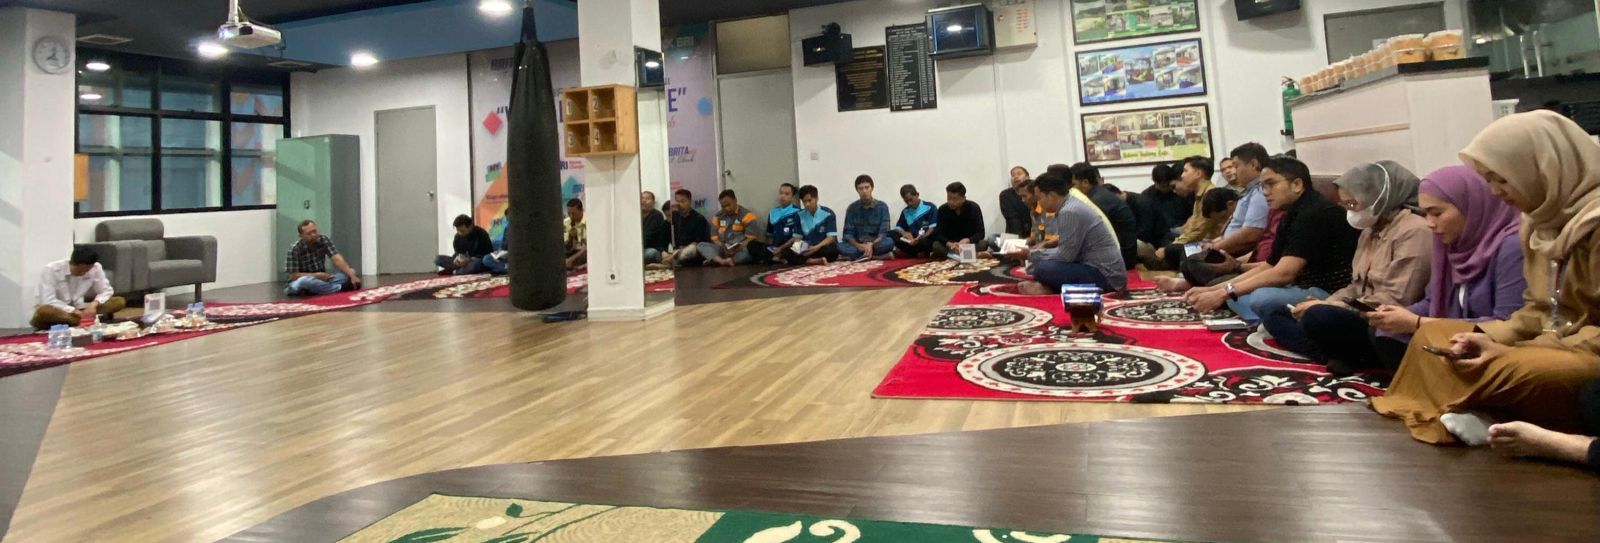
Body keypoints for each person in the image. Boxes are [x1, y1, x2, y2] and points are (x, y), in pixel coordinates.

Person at [1373, 110, 1600, 446]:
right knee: (1436, 337)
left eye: (1503, 179)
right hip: (1549, 340)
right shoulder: (1538, 223)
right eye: (1489, 181)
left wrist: (1517, 349)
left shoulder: (1593, 223)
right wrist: (1489, 337)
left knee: (1511, 368)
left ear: (1544, 168)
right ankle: (1475, 411)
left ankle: (1491, 416)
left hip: (1585, 350)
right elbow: (1535, 311)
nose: (1495, 192)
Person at [1257, 161, 1435, 374]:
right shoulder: (1369, 230)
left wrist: (1331, 307)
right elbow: (1355, 286)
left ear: (1378, 197)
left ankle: (1347, 355)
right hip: (1357, 310)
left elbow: (1396, 298)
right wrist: (1328, 302)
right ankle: (1337, 356)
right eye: (1345, 205)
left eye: (1352, 204)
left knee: (1318, 317)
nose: (1349, 211)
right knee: (1275, 313)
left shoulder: (1414, 231)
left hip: (1383, 321)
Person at [1183, 156, 1359, 323]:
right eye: (1263, 186)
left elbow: (1284, 273)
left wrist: (1222, 293)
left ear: (1297, 184)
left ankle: (1275, 322)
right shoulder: (1290, 213)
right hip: (1301, 286)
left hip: (1329, 293)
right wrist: (1213, 290)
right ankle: (1273, 321)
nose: (1265, 192)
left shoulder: (1315, 213)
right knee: (1237, 295)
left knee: (1261, 298)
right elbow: (1270, 265)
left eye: (1271, 184)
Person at [1015, 171, 1126, 294]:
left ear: (1051, 195)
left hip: (1107, 277)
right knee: (1041, 265)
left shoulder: (1069, 211)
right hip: (1100, 269)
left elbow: (1065, 256)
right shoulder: (1070, 204)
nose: (1039, 203)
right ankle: (1055, 287)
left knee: (1042, 268)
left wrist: (1030, 254)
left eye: (1039, 198)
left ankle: (1051, 288)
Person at [1154, 156, 1228, 269]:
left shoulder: (1210, 195)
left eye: (1185, 171)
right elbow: (1192, 225)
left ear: (1198, 174)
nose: (1182, 176)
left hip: (1211, 243)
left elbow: (1198, 232)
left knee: (1170, 250)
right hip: (1202, 240)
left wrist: (1169, 247)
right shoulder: (1199, 195)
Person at [30, 247, 126, 330]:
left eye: (87, 270)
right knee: (44, 311)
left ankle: (76, 321)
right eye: (80, 270)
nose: (83, 273)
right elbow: (48, 300)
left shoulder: (96, 267)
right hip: (60, 310)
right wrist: (73, 311)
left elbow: (106, 290)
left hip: (81, 308)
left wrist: (94, 304)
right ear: (72, 263)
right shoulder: (51, 269)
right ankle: (80, 321)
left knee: (118, 301)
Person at [1069, 162, 1139, 270]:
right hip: (1122, 252)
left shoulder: (1096, 201)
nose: (1071, 190)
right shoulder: (1099, 194)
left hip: (1121, 258)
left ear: (1085, 183)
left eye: (1073, 185)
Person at [285, 219, 361, 296]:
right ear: (301, 236)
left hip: (322, 279)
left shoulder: (323, 240)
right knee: (305, 281)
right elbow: (294, 276)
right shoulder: (295, 249)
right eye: (309, 233)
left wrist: (352, 276)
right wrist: (317, 275)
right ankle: (340, 288)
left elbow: (336, 258)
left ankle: (319, 289)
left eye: (314, 231)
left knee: (351, 271)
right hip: (300, 281)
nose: (313, 235)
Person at [777, 185, 840, 265]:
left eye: (809, 200)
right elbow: (797, 237)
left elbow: (831, 238)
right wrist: (796, 247)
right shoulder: (799, 215)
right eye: (804, 201)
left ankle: (808, 260)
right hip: (806, 246)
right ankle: (813, 261)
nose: (807, 204)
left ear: (816, 198)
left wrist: (816, 247)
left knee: (832, 250)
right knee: (788, 253)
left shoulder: (828, 213)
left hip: (821, 246)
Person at [840, 175, 895, 260]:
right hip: (858, 245)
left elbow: (884, 232)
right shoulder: (852, 208)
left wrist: (871, 244)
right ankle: (876, 256)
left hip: (875, 244)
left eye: (867, 187)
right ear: (857, 190)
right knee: (840, 246)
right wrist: (858, 245)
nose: (864, 191)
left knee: (889, 242)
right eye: (861, 188)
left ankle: (859, 256)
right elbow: (848, 234)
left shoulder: (882, 207)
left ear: (872, 188)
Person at [699, 190, 759, 266]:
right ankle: (722, 261)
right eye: (723, 206)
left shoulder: (747, 215)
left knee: (750, 251)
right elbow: (714, 238)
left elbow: (750, 239)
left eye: (728, 205)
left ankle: (719, 260)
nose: (726, 208)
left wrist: (736, 249)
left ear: (735, 200)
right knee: (701, 245)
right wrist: (722, 246)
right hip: (723, 249)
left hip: (740, 249)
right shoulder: (717, 216)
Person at [753, 183, 803, 265]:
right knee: (752, 245)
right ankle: (777, 258)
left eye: (786, 194)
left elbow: (797, 237)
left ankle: (775, 258)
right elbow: (769, 235)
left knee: (800, 246)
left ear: (792, 197)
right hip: (775, 246)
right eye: (781, 193)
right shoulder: (773, 212)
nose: (783, 196)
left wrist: (781, 248)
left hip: (789, 245)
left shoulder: (798, 212)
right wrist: (772, 248)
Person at [932, 182, 985, 257]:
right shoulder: (942, 210)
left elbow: (980, 233)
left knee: (983, 244)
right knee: (936, 245)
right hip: (951, 245)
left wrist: (968, 240)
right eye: (949, 198)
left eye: (955, 199)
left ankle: (953, 256)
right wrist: (949, 243)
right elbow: (939, 233)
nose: (951, 202)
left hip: (967, 244)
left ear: (963, 198)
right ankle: (965, 255)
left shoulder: (974, 208)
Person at [664, 189, 712, 267]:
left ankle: (669, 263)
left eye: (683, 201)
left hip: (692, 249)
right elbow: (666, 229)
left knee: (691, 249)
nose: (680, 204)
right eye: (677, 201)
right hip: (678, 250)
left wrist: (681, 249)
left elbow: (698, 242)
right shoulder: (675, 216)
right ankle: (672, 261)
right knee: (666, 253)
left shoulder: (699, 218)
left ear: (690, 201)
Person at [1142, 162, 1192, 235]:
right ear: (1154, 181)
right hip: (1159, 233)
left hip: (1184, 229)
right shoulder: (1147, 196)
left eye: (1167, 186)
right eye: (1162, 186)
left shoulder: (1182, 192)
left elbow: (1193, 215)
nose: (1164, 189)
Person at [894, 184, 939, 258]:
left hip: (925, 238)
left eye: (911, 200)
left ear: (917, 195)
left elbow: (932, 228)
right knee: (892, 234)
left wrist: (920, 238)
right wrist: (905, 233)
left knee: (930, 241)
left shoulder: (930, 207)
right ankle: (918, 253)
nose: (909, 203)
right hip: (912, 240)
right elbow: (898, 227)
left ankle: (915, 252)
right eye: (906, 201)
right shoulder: (905, 211)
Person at [999, 166, 1034, 239]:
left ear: (1027, 177)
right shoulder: (1005, 195)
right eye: (1013, 175)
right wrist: (1019, 240)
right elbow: (1012, 219)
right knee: (992, 238)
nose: (1015, 177)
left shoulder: (1036, 192)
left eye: (1019, 174)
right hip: (1015, 234)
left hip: (1034, 235)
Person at [642, 191, 671, 266]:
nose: (644, 200)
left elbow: (649, 236)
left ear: (653, 202)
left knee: (652, 253)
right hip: (637, 249)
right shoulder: (635, 215)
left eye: (647, 198)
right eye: (642, 198)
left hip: (651, 249)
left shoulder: (657, 215)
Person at [560, 199, 587, 270]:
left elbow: (590, 246)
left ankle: (571, 263)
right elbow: (567, 248)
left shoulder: (589, 221)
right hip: (572, 252)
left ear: (581, 210)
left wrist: (571, 259)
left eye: (573, 213)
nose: (571, 216)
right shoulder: (566, 223)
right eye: (569, 213)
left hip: (584, 252)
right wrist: (570, 238)